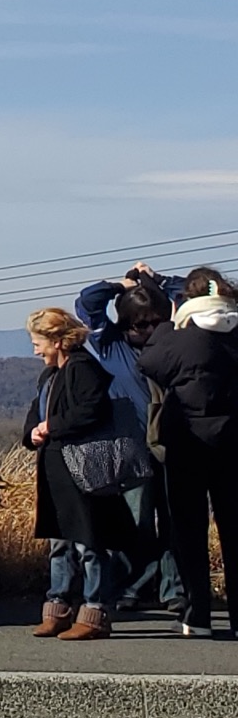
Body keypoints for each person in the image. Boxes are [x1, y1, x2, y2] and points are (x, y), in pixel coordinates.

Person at [77, 262, 188, 611]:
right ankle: (131, 586)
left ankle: (173, 589)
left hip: (173, 444)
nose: (150, 329)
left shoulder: (175, 341)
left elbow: (195, 295)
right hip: (130, 448)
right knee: (133, 522)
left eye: (156, 321)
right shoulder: (110, 344)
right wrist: (120, 285)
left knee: (175, 520)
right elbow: (87, 303)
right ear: (125, 323)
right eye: (141, 324)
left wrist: (160, 281)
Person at [136, 266, 238, 638]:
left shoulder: (180, 340)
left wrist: (167, 319)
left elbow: (149, 362)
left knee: (188, 531)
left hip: (188, 445)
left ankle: (198, 615)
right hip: (234, 444)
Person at [24, 306, 138, 641]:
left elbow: (91, 410)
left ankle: (94, 609)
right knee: (60, 541)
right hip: (58, 470)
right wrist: (32, 433)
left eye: (38, 343)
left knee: (90, 542)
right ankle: (58, 606)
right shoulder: (50, 375)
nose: (35, 350)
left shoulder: (83, 368)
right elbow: (36, 412)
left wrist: (52, 426)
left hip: (83, 471)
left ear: (57, 341)